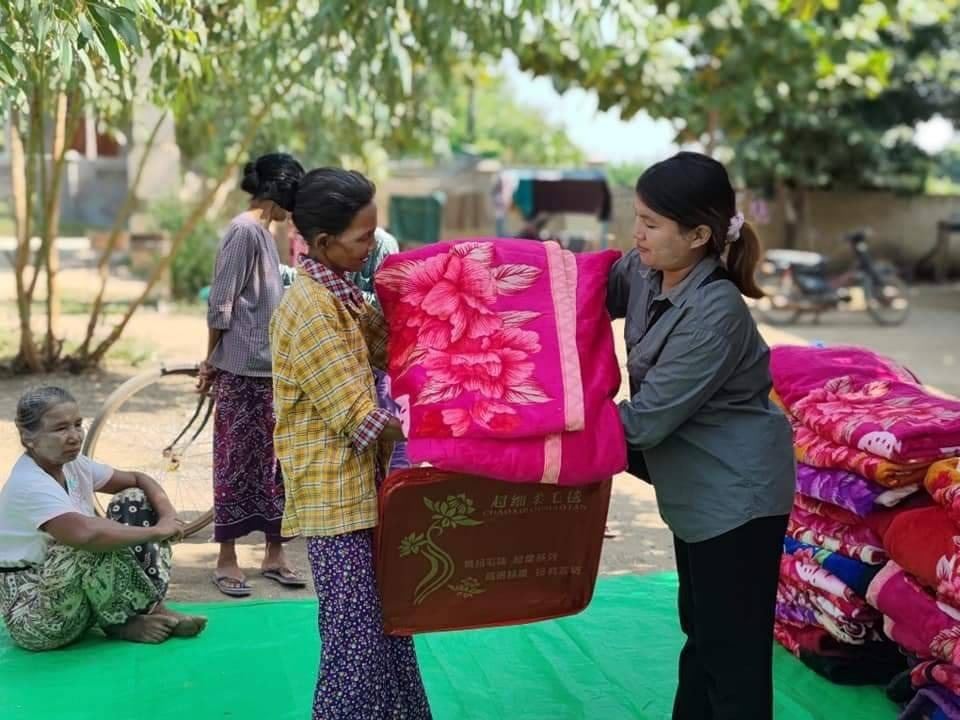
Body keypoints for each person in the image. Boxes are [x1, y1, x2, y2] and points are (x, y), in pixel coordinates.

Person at [607, 152, 795, 720]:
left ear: (699, 236)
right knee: (703, 634)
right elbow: (581, 290)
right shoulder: (644, 270)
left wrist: (546, 422)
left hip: (736, 499)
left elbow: (645, 422)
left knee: (730, 655)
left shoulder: (716, 312)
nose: (637, 233)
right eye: (637, 217)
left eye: (652, 223)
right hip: (695, 489)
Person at [270, 167, 432, 719]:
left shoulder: (341, 296)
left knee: (390, 632)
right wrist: (453, 425)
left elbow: (386, 351)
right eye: (364, 238)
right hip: (335, 503)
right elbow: (361, 420)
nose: (373, 247)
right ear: (322, 243)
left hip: (364, 493)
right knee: (355, 648)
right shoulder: (311, 311)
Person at [0, 387, 207, 651]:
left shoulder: (74, 465)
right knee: (86, 539)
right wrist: (156, 532)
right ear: (28, 438)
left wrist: (168, 517)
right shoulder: (28, 483)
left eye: (78, 425)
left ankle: (141, 610)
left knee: (133, 499)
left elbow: (138, 479)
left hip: (77, 602)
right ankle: (127, 620)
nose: (75, 437)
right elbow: (86, 535)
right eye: (61, 429)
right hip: (39, 620)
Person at [198, 152, 307, 597]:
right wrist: (209, 360)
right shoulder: (244, 231)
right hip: (242, 370)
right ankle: (226, 558)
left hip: (272, 371)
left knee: (274, 465)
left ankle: (274, 554)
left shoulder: (264, 232)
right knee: (235, 463)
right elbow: (220, 303)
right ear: (279, 193)